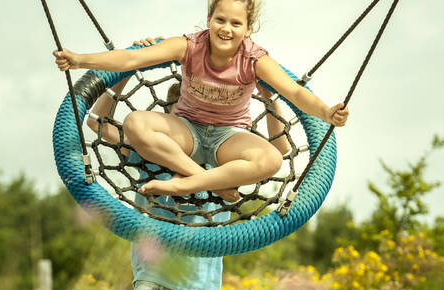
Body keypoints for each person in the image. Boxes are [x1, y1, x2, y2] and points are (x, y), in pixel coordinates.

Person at [86, 35, 290, 290]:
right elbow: (96, 122)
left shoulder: (225, 158)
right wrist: (124, 71)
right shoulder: (148, 154)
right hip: (155, 283)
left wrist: (270, 96)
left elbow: (280, 148)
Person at [54, 0, 349, 205]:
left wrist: (326, 111)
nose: (226, 28)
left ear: (248, 29)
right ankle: (200, 177)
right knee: (135, 123)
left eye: (236, 23)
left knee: (271, 159)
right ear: (208, 20)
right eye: (220, 19)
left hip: (228, 138)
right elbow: (131, 58)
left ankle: (186, 182)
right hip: (186, 131)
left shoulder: (255, 59)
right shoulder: (190, 46)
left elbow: (295, 93)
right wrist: (81, 59)